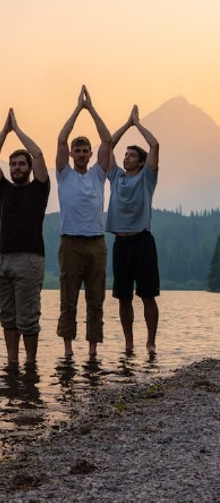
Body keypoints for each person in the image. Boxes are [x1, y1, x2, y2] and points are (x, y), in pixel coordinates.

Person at [0, 109, 50, 367]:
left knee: (28, 317)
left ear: (29, 167)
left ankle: (30, 362)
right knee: (8, 316)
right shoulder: (4, 189)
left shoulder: (39, 188)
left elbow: (38, 154)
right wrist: (4, 131)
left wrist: (18, 130)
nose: (16, 167)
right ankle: (12, 361)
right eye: (13, 164)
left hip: (29, 259)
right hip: (3, 260)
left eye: (21, 164)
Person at [55, 86, 112, 359]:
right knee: (68, 300)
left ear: (91, 154)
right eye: (76, 150)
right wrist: (77, 108)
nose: (79, 153)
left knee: (96, 299)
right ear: (71, 155)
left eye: (84, 150)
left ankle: (92, 350)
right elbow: (61, 138)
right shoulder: (64, 174)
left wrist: (91, 108)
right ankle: (67, 351)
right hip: (70, 242)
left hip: (96, 243)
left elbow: (108, 140)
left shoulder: (98, 174)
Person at [106, 105, 160, 355]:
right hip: (121, 243)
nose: (126, 158)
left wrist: (137, 124)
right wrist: (126, 124)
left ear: (140, 162)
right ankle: (129, 342)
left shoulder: (147, 177)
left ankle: (150, 342)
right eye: (125, 155)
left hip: (142, 241)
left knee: (148, 295)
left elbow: (155, 145)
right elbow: (107, 146)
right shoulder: (116, 176)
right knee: (123, 297)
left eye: (130, 155)